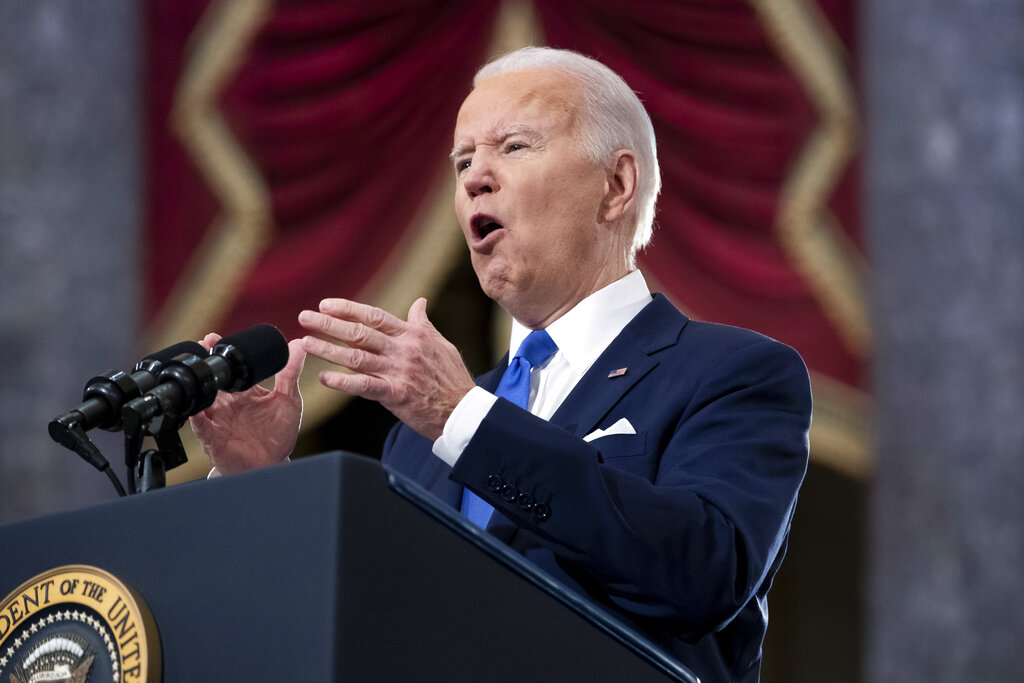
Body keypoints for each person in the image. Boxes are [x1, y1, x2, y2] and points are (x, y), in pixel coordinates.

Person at [192, 47, 811, 682]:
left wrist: (464, 418)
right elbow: (366, 622)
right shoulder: (419, 434)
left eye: (513, 147)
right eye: (463, 160)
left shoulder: (735, 373)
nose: (473, 179)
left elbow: (703, 572)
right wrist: (260, 482)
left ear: (617, 185)